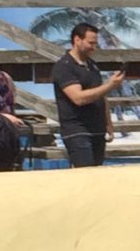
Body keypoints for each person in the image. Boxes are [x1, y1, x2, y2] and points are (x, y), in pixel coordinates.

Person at [52, 23, 123, 168]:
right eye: (90, 43)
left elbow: (101, 94)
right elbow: (78, 98)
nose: (93, 47)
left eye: (95, 43)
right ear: (77, 40)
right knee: (85, 174)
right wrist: (110, 85)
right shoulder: (64, 66)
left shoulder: (92, 65)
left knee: (97, 173)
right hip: (77, 130)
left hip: (97, 128)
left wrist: (108, 123)